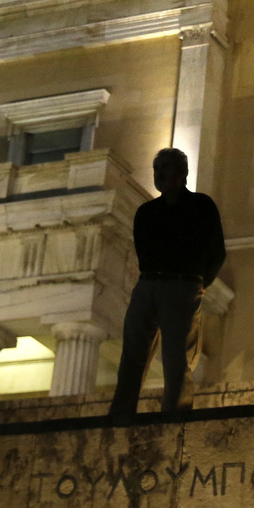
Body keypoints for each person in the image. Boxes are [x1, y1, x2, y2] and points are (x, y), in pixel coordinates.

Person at [106, 147, 225, 419]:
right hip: (150, 283)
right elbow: (142, 251)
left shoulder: (201, 206)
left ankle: (175, 416)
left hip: (182, 285)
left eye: (165, 167)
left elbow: (216, 252)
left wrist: (199, 283)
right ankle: (121, 414)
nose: (159, 174)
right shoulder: (147, 212)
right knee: (133, 354)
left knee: (177, 358)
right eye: (156, 168)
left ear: (182, 172)